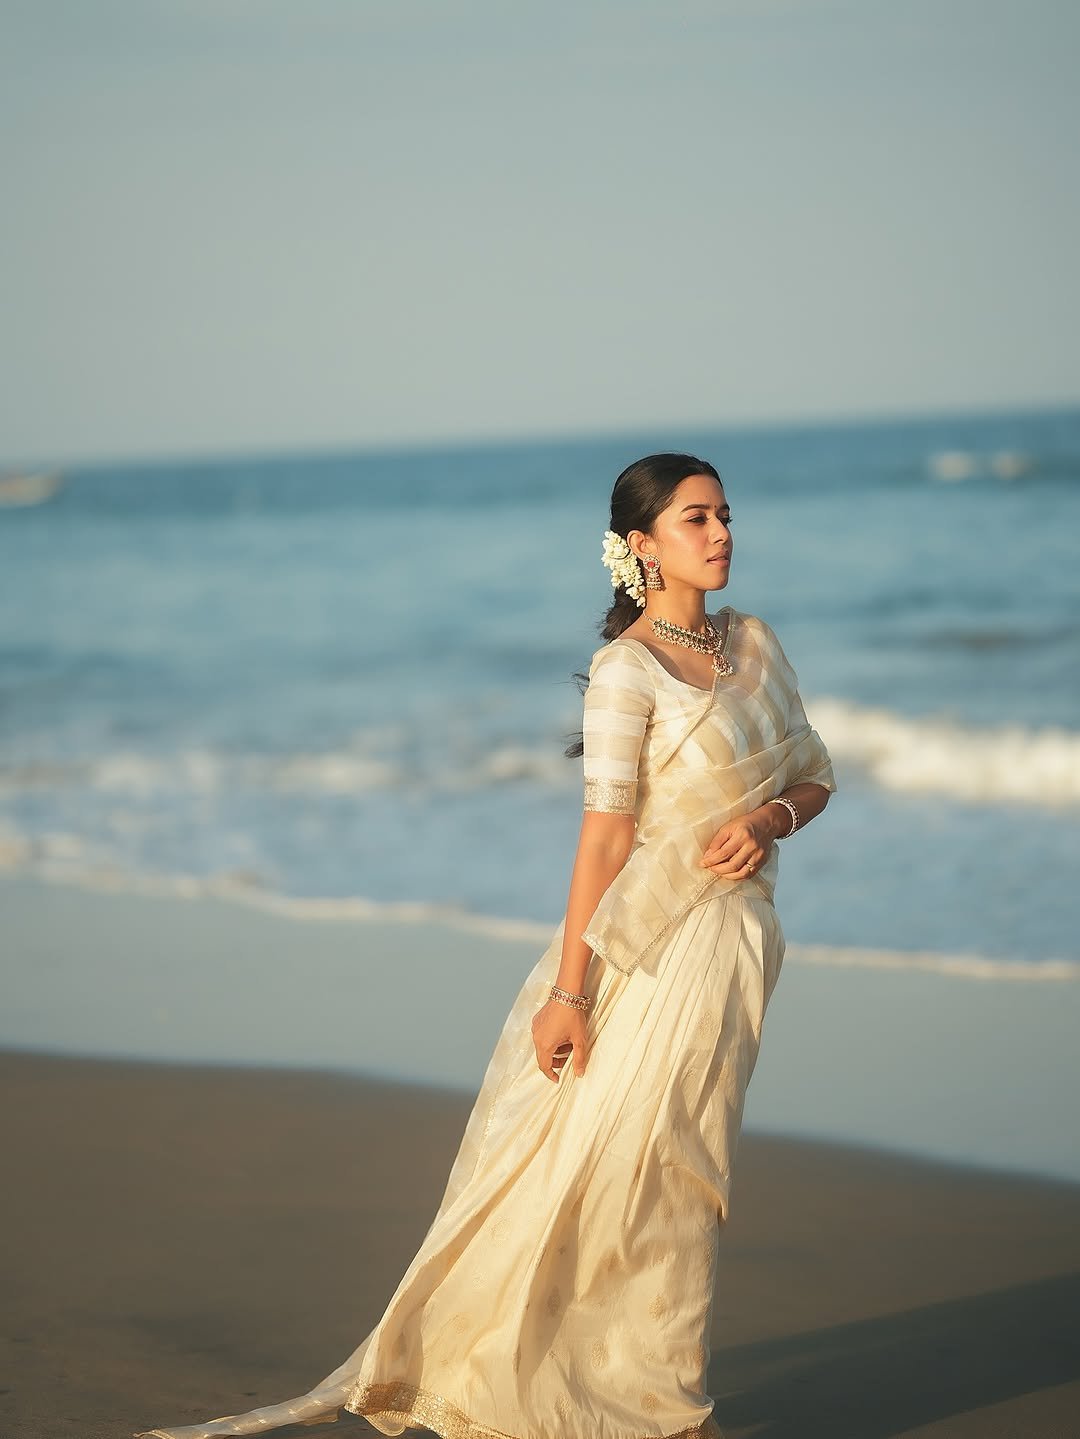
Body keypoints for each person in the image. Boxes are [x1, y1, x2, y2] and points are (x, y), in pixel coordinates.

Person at [134, 452, 837, 1439]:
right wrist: (570, 990)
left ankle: (643, 1386)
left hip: (736, 944)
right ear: (642, 545)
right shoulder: (626, 668)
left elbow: (815, 771)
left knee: (685, 1165)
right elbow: (605, 836)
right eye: (694, 519)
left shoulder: (755, 643)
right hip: (647, 948)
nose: (720, 533)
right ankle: (656, 1405)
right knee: (651, 1170)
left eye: (724, 514)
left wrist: (769, 818)